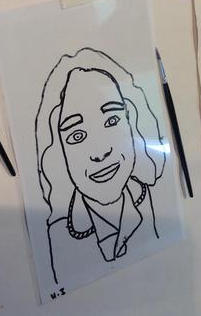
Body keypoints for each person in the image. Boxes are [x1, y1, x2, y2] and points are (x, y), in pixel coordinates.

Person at [35, 48, 167, 285]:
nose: (100, 153)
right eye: (76, 135)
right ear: (57, 152)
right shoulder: (59, 236)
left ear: (132, 123)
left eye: (112, 120)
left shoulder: (146, 196)